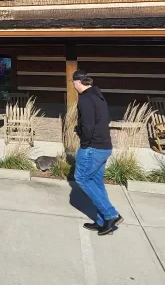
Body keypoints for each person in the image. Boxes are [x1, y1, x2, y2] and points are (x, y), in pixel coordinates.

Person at [72, 70, 122, 236]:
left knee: (81, 178)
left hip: (93, 147)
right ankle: (102, 222)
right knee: (96, 181)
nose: (73, 86)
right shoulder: (98, 96)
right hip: (104, 146)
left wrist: (85, 144)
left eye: (73, 82)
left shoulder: (85, 99)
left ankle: (110, 214)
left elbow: (88, 126)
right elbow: (99, 121)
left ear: (77, 82)